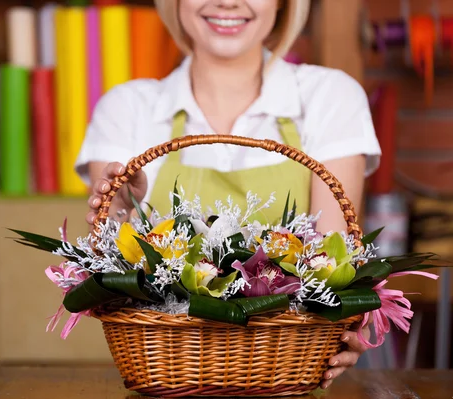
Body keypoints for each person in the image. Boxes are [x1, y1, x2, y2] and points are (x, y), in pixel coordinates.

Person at [75, 0, 381, 389]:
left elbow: (331, 260)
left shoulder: (329, 96)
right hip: (170, 373)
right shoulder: (129, 107)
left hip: (283, 368)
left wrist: (341, 321)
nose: (228, 2)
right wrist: (120, 215)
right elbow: (113, 283)